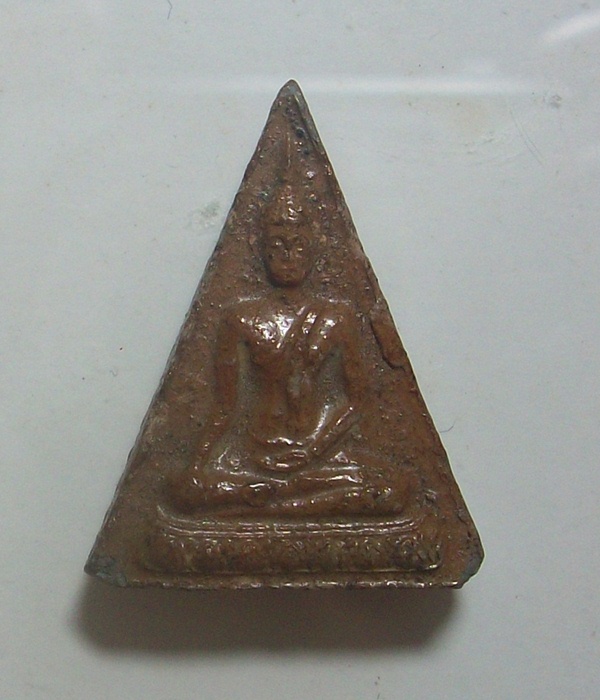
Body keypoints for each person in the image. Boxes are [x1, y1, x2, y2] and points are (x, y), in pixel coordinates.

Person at [167, 182, 418, 517]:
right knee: (182, 491)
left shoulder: (338, 318)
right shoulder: (240, 319)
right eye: (277, 246)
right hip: (254, 457)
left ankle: (267, 504)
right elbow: (225, 407)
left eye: (298, 245)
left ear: (316, 248)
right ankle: (280, 502)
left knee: (393, 490)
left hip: (321, 458)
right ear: (260, 249)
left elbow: (357, 400)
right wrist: (199, 464)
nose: (288, 256)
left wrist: (313, 449)